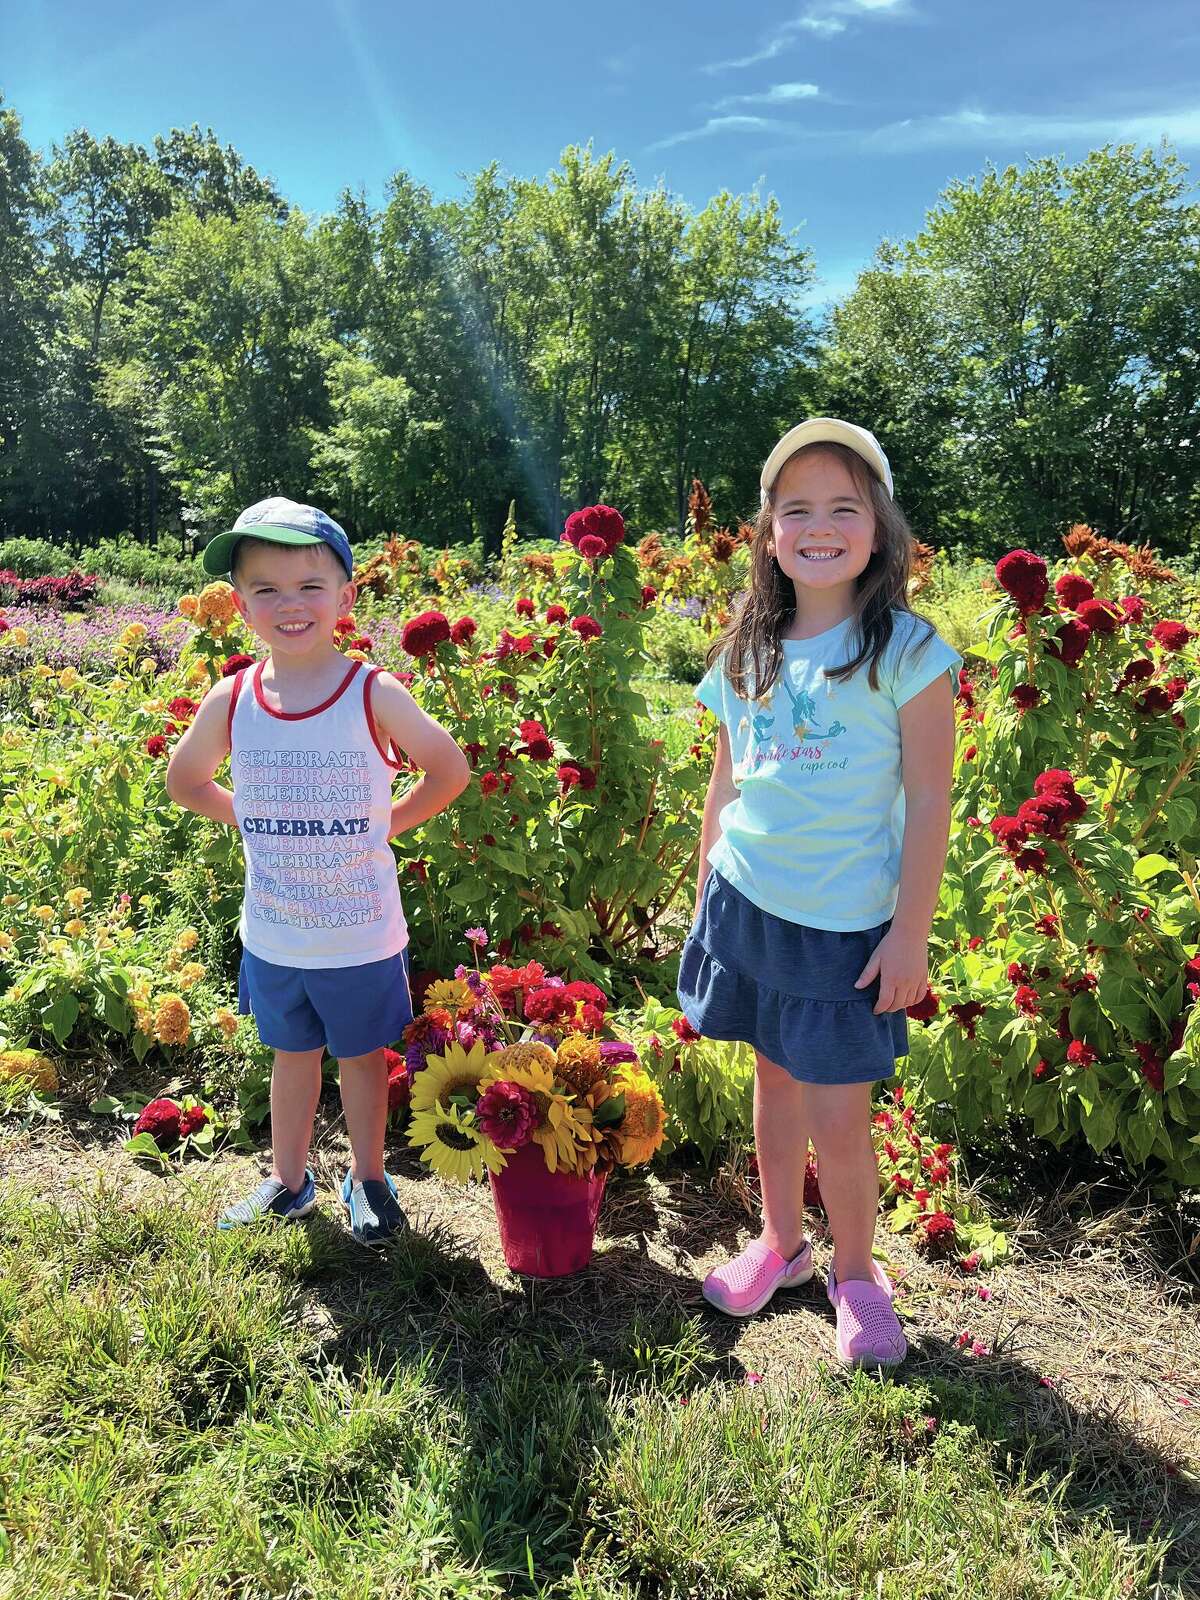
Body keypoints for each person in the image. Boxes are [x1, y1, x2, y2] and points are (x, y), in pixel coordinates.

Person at [677, 420, 962, 1368]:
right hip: (750, 907)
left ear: (878, 531)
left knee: (840, 1119)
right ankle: (780, 1247)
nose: (820, 525)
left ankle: (856, 1275)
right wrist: (706, 881)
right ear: (767, 534)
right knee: (773, 1086)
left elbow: (928, 799)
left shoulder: (908, 652)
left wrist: (909, 933)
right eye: (795, 508)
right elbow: (726, 782)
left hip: (844, 927)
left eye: (845, 506)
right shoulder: (748, 648)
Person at [166, 497, 469, 1241]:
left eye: (309, 585)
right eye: (265, 589)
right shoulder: (233, 698)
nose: (289, 604)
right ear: (239, 605)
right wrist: (254, 817)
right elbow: (185, 780)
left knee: (363, 1060)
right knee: (291, 1055)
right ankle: (288, 1181)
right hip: (276, 933)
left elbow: (448, 769)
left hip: (358, 933)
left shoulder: (372, 691)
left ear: (346, 596)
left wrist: (387, 823)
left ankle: (368, 1177)